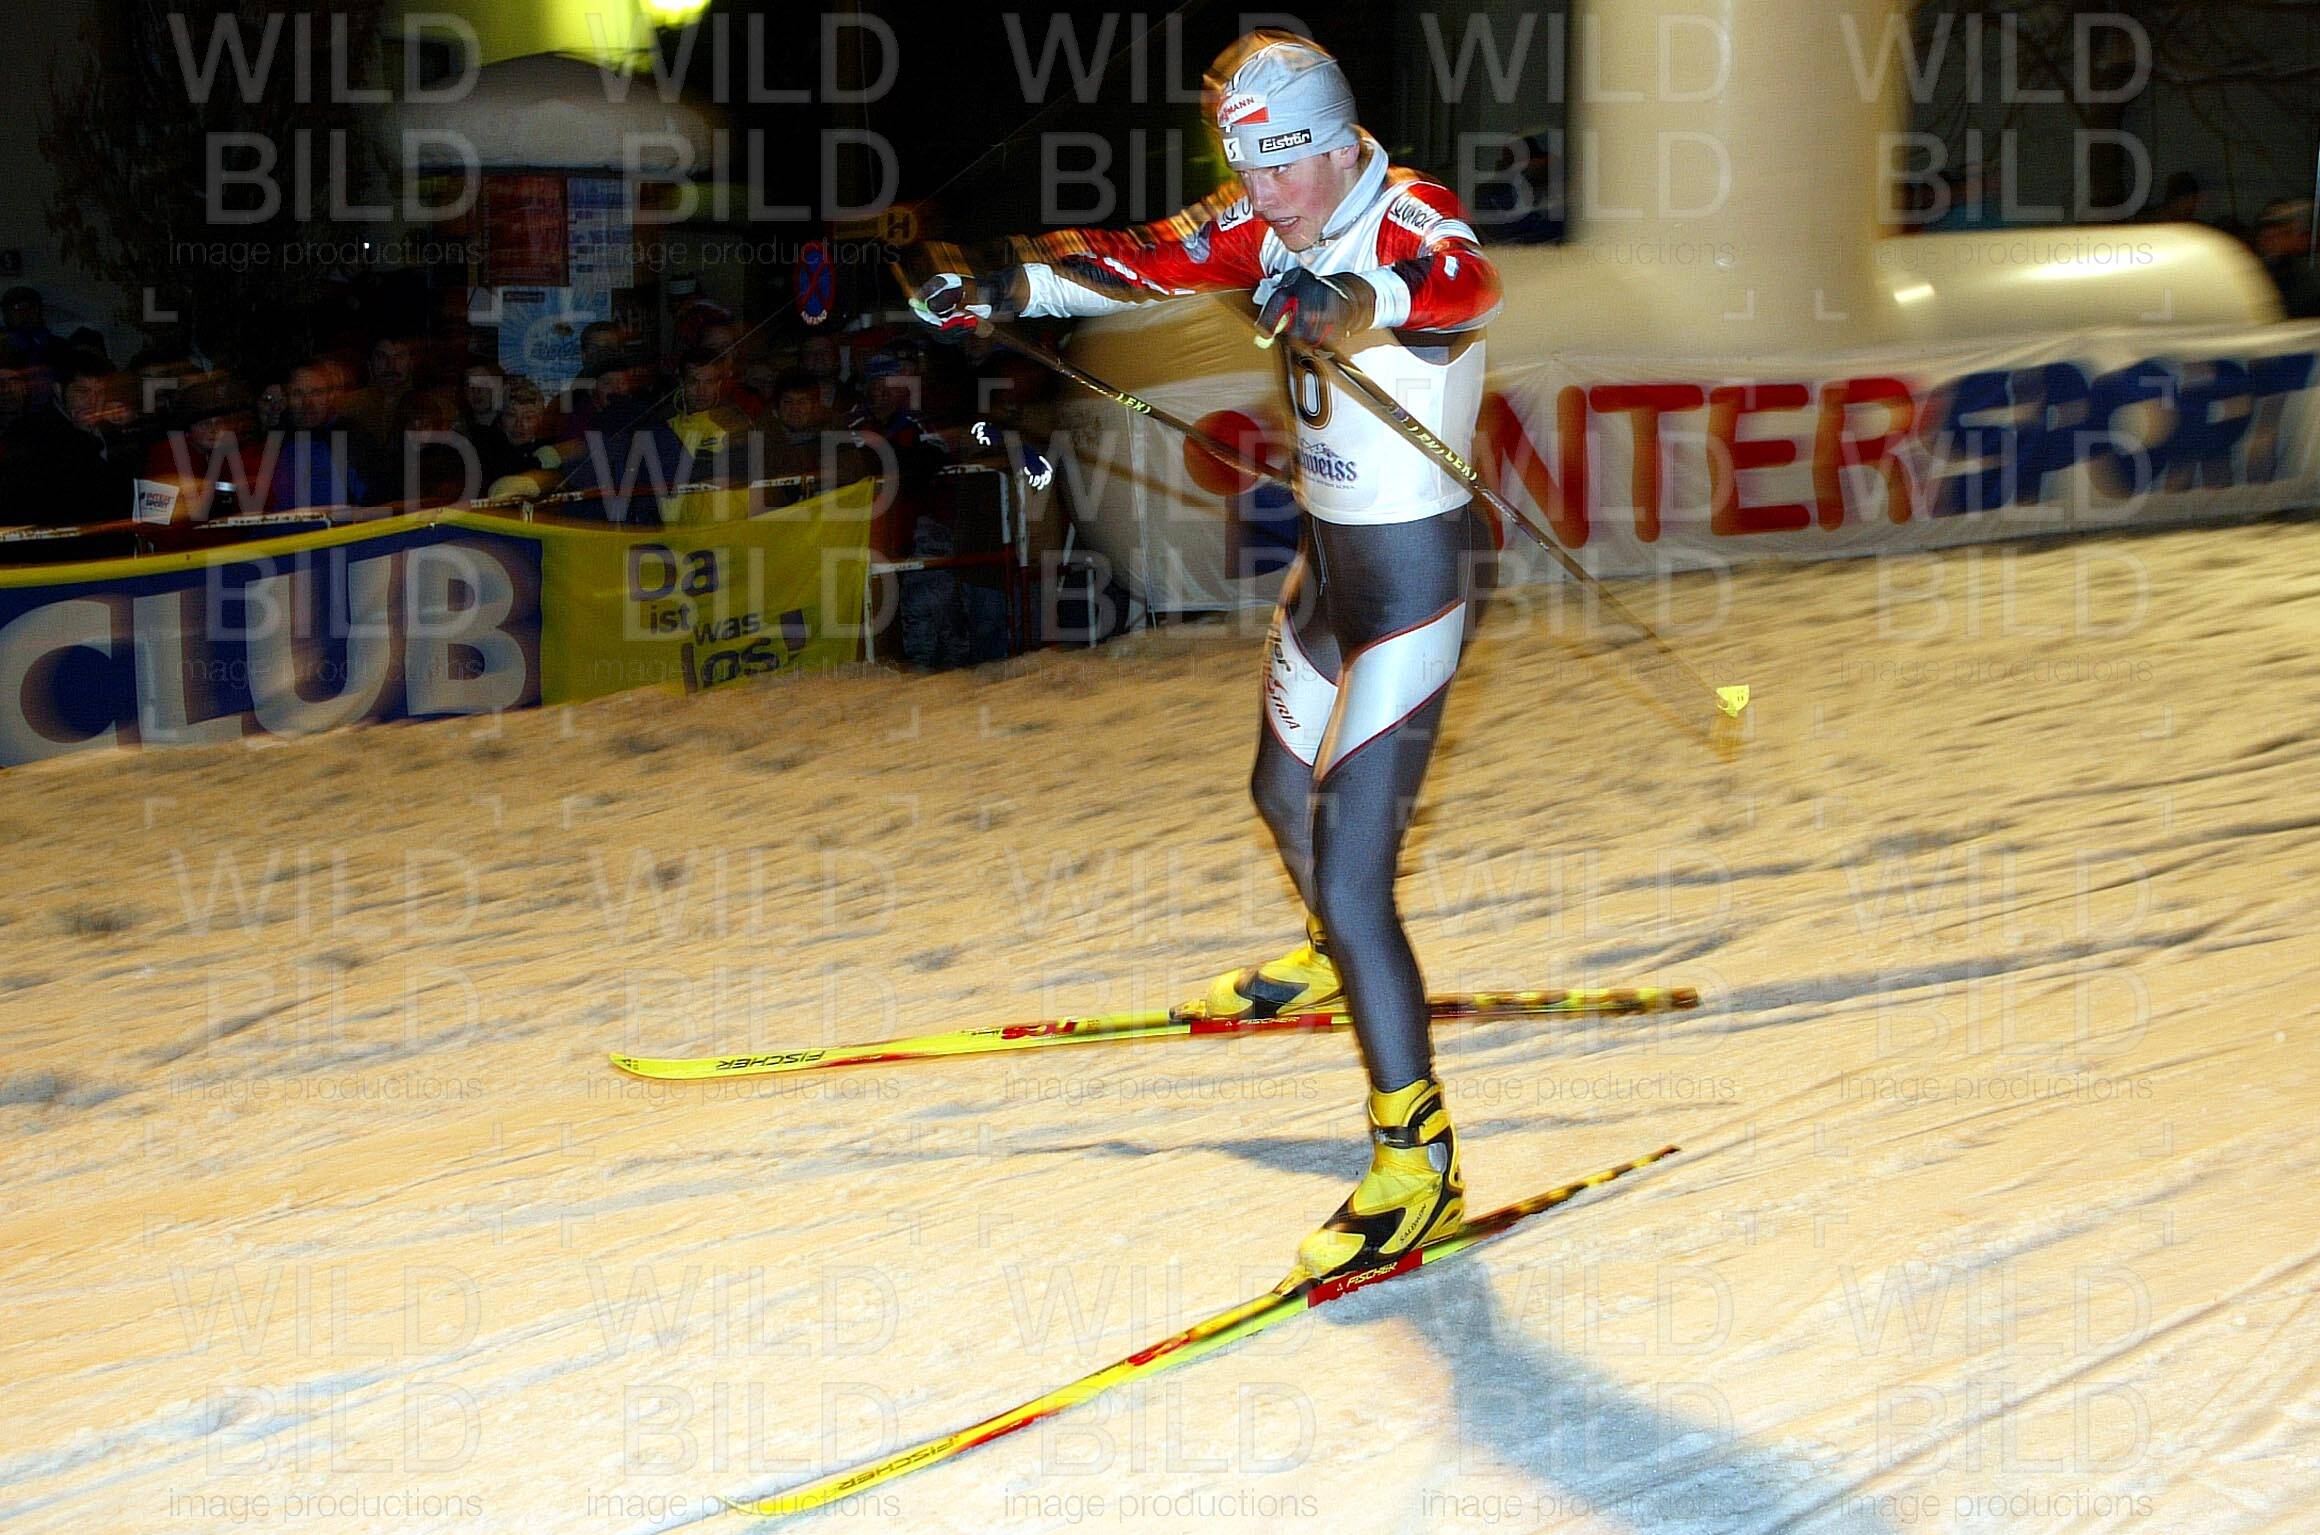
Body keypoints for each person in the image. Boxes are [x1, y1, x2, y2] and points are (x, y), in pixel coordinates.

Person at [910, 30, 1501, 1285]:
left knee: (1353, 871)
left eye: (1282, 166)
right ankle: (1332, 956)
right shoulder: (1265, 215)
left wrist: (1351, 303)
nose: (1263, 195)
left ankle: (1419, 1162)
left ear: (1335, 143)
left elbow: (1460, 282)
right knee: (1275, 792)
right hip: (1331, 568)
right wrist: (992, 279)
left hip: (1413, 588)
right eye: (1246, 167)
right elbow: (1131, 261)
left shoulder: (1406, 215)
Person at [2253, 199, 2320, 318]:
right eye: (2268, 234)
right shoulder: (2257, 271)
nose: (2274, 240)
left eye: (2282, 233)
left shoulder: (2306, 276)